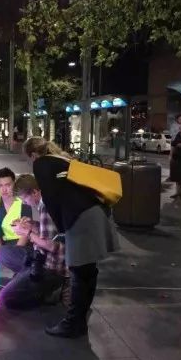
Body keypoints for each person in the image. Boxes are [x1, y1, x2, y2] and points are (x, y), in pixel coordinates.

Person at [24, 136, 119, 338]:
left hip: (79, 219)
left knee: (79, 273)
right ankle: (78, 321)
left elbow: (50, 199)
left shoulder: (41, 163)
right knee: (88, 272)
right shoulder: (63, 159)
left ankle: (73, 324)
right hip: (94, 213)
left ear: (32, 155)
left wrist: (62, 230)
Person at [0, 174, 68, 309]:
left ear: (35, 192)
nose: (25, 203)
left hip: (51, 267)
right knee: (2, 252)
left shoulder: (46, 206)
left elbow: (52, 246)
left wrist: (28, 233)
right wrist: (31, 224)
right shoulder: (47, 201)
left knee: (6, 298)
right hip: (39, 256)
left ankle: (52, 291)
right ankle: (26, 278)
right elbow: (50, 232)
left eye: (25, 199)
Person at [0, 168, 32, 247]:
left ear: (14, 183)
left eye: (8, 185)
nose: (4, 189)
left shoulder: (23, 200)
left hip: (19, 245)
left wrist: (13, 251)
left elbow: (25, 234)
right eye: (0, 185)